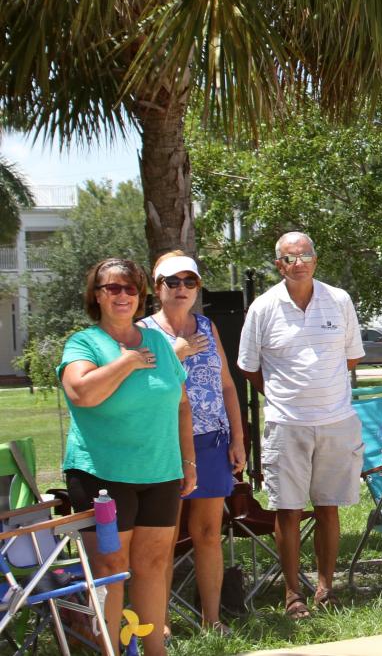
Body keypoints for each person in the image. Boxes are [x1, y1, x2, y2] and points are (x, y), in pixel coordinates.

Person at [58, 258, 195, 656]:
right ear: (96, 295)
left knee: (152, 565)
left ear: (140, 297)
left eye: (131, 289)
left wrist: (188, 462)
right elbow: (82, 393)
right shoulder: (84, 343)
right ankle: (112, 652)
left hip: (161, 472)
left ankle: (155, 650)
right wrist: (126, 362)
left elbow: (181, 404)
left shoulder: (156, 343)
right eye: (112, 288)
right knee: (110, 569)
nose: (122, 295)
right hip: (103, 475)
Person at [237, 232, 365, 619]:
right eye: (290, 258)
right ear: (279, 265)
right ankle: (292, 595)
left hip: (335, 421)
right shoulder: (262, 308)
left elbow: (350, 359)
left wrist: (320, 391)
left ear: (315, 259)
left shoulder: (339, 300)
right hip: (285, 424)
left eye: (305, 254)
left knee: (329, 508)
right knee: (287, 511)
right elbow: (248, 366)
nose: (299, 262)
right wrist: (282, 394)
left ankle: (326, 587)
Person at [139, 252, 246, 634]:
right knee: (163, 540)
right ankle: (160, 624)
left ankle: (212, 620)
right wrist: (175, 353)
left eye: (190, 282)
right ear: (157, 288)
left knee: (208, 535)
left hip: (212, 443)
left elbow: (228, 386)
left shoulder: (206, 325)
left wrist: (237, 437)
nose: (182, 289)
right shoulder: (143, 332)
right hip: (165, 446)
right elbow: (142, 389)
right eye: (173, 282)